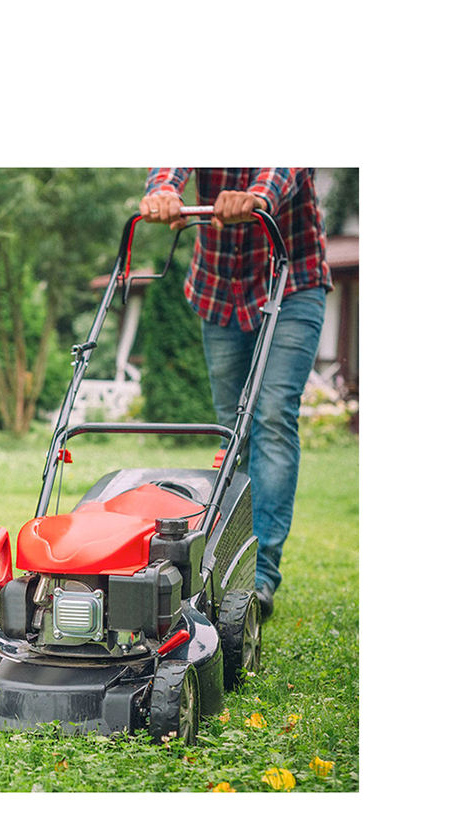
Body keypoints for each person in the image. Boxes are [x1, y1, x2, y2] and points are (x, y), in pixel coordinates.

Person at [139, 168, 332, 619]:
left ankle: (261, 575)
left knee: (272, 416)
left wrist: (255, 197)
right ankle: (230, 564)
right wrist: (163, 189)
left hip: (292, 282)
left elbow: (282, 168)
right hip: (220, 289)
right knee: (233, 430)